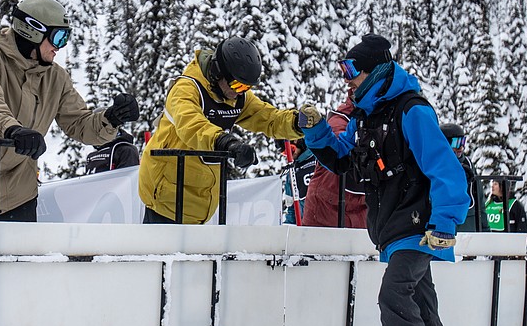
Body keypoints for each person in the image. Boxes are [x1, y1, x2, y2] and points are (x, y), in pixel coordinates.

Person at [302, 33, 469, 326]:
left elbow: (447, 169)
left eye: (353, 72)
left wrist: (445, 222)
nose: (348, 80)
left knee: (394, 296)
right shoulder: (369, 115)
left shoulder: (412, 111)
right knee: (422, 304)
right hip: (394, 228)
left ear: (376, 70)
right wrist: (316, 132)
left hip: (420, 225)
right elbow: (345, 162)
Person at [0, 0, 139, 221]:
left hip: (20, 196)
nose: (60, 47)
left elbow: (79, 123)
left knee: (20, 257)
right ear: (33, 31)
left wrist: (110, 118)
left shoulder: (55, 77)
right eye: (58, 37)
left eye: (66, 37)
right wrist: (12, 130)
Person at [138, 37, 306, 224]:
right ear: (219, 72)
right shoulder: (186, 89)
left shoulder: (235, 96)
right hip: (167, 199)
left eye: (246, 87)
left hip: (199, 203)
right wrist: (227, 143)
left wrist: (297, 122)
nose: (240, 92)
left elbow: (267, 117)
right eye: (237, 85)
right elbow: (192, 125)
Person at [300, 88, 367, 229]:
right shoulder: (343, 117)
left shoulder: (383, 117)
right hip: (326, 210)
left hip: (361, 211)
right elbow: (338, 149)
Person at [440, 122, 487, 232]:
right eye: (456, 143)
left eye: (463, 142)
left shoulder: (468, 164)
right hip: (444, 227)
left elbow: (479, 198)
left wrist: (485, 228)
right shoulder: (435, 166)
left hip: (468, 226)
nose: (461, 147)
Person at [280, 137, 315, 224]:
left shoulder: (318, 158)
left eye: (292, 149)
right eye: (285, 153)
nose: (290, 155)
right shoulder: (291, 173)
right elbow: (291, 208)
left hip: (329, 222)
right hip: (307, 226)